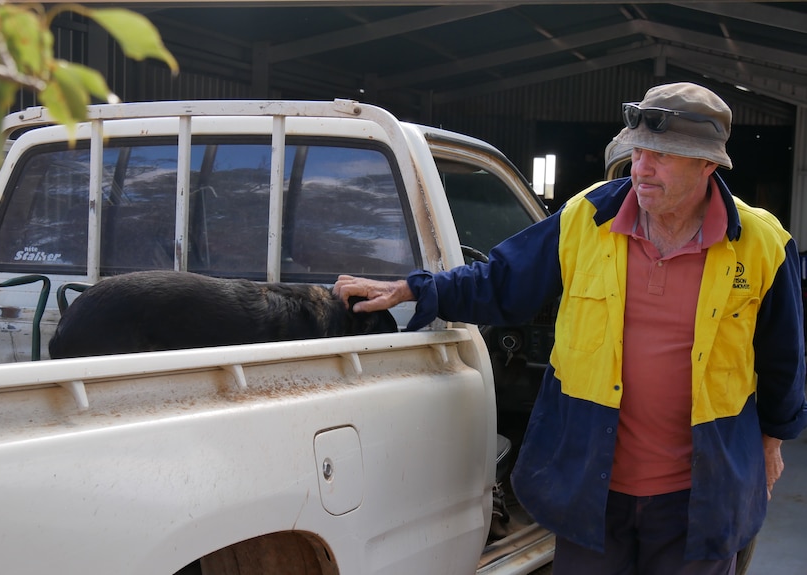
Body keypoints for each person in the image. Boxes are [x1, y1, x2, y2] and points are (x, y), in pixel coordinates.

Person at [334, 82, 807, 575]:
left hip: (699, 496)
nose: (641, 168)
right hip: (593, 490)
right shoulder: (588, 218)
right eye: (638, 151)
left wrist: (771, 446)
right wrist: (413, 290)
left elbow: (782, 362)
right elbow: (502, 281)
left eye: (662, 157)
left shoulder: (762, 244)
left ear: (707, 165)